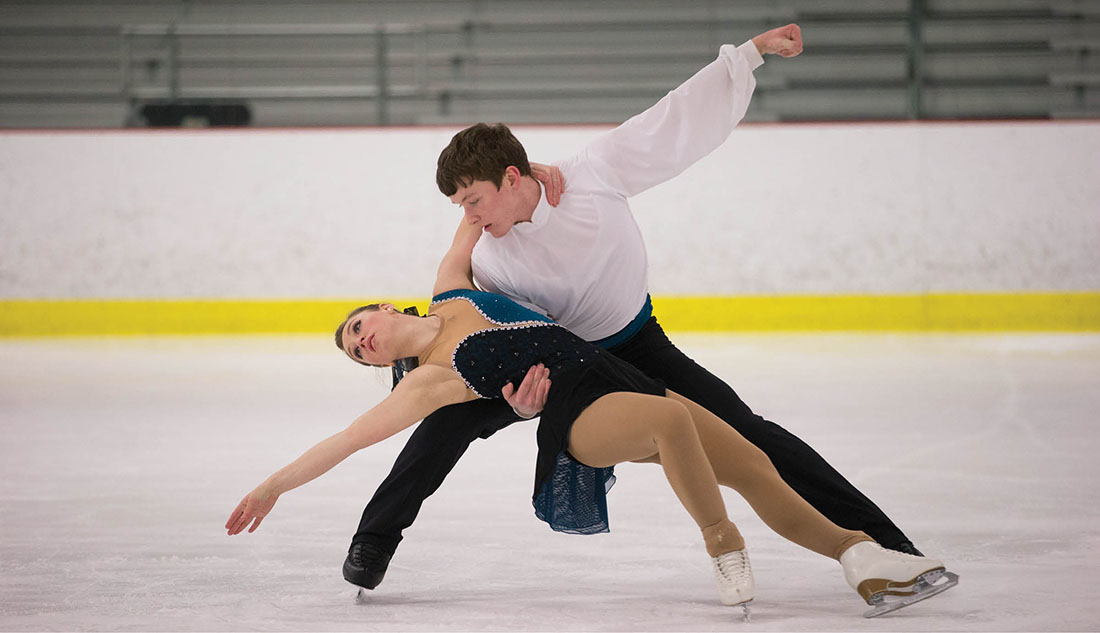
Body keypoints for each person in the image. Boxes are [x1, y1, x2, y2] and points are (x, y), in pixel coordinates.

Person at [346, 23, 927, 592]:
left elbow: (670, 123)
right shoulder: (489, 262)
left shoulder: (590, 174)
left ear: (513, 177)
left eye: (473, 200)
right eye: (460, 206)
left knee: (751, 435)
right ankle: (374, 541)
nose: (468, 216)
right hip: (564, 365)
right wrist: (519, 405)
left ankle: (886, 545)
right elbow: (491, 337)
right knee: (444, 422)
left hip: (638, 344)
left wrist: (750, 54)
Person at [226, 219, 957, 616]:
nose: (363, 341)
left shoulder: (452, 287)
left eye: (360, 327)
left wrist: (537, 177)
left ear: (386, 308)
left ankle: (860, 559)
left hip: (620, 375)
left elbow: (473, 209)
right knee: (671, 426)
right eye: (356, 350)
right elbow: (345, 442)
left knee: (755, 466)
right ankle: (724, 546)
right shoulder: (427, 386)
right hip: (577, 414)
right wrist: (272, 485)